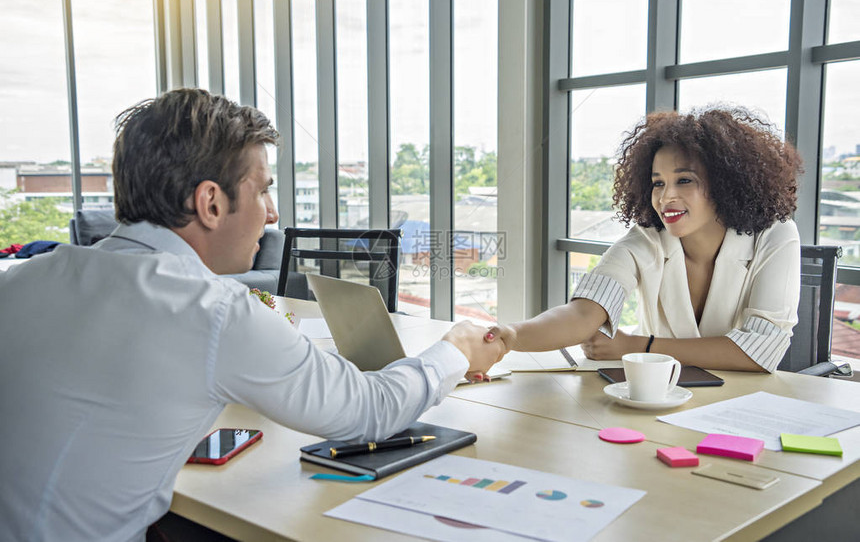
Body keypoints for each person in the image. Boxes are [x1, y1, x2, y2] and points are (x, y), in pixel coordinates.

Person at [0, 88, 505, 541]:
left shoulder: (21, 279)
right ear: (211, 203)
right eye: (263, 189)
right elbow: (367, 413)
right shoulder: (211, 312)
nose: (272, 213)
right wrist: (454, 350)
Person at [488, 106, 803, 373]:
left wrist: (637, 346)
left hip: (742, 407)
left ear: (725, 183)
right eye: (658, 183)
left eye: (684, 180)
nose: (667, 197)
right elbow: (583, 314)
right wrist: (510, 335)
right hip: (660, 398)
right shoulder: (647, 239)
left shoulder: (776, 235)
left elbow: (760, 352)